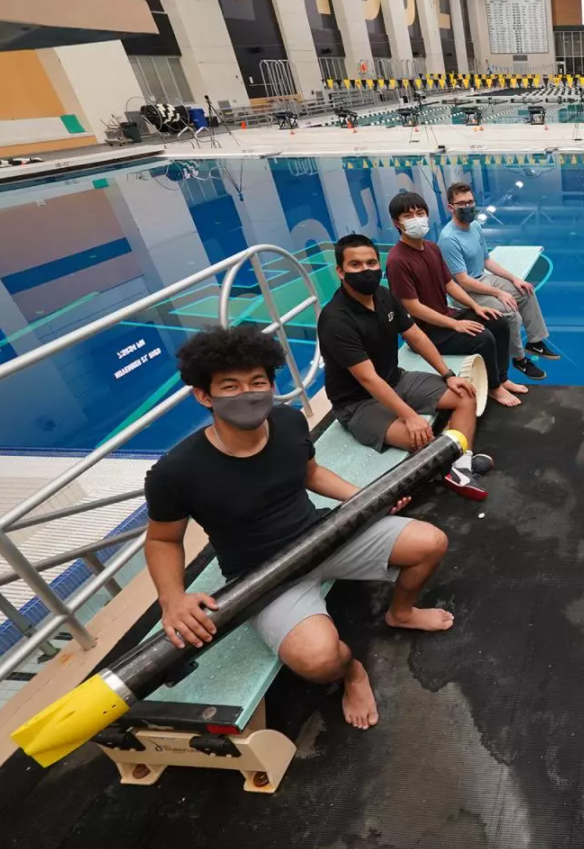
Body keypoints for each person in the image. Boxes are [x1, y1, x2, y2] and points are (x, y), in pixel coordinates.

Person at [143, 325, 457, 730]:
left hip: (322, 535)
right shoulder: (175, 471)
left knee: (430, 541)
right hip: (261, 575)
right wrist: (172, 599)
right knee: (319, 660)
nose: (248, 394)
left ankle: (402, 613)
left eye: (257, 382)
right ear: (204, 396)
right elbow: (163, 539)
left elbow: (311, 473)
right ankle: (353, 673)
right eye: (230, 386)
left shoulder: (288, 422)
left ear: (272, 385)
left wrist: (365, 499)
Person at [319, 233, 491, 500]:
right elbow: (367, 379)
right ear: (340, 272)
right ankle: (452, 465)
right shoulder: (336, 320)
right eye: (355, 265)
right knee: (419, 438)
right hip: (357, 403)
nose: (366, 270)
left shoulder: (383, 295)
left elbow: (416, 336)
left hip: (396, 380)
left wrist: (447, 374)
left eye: (371, 263)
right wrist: (410, 416)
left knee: (465, 394)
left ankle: (460, 465)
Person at [385, 192, 527, 408]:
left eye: (420, 213)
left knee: (498, 321)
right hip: (425, 331)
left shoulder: (431, 248)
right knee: (483, 338)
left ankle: (501, 378)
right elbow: (413, 308)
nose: (416, 219)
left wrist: (476, 307)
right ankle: (494, 388)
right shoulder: (397, 260)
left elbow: (449, 284)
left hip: (446, 317)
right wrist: (455, 324)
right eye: (408, 216)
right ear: (397, 223)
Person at [439, 182, 559, 380]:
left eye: (470, 202)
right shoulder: (448, 239)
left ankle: (535, 342)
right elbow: (463, 280)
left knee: (526, 291)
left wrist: (514, 279)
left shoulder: (475, 227)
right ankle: (520, 359)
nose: (468, 207)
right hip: (465, 292)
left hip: (484, 279)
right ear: (451, 207)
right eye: (462, 203)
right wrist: (498, 293)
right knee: (510, 312)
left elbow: (487, 260)